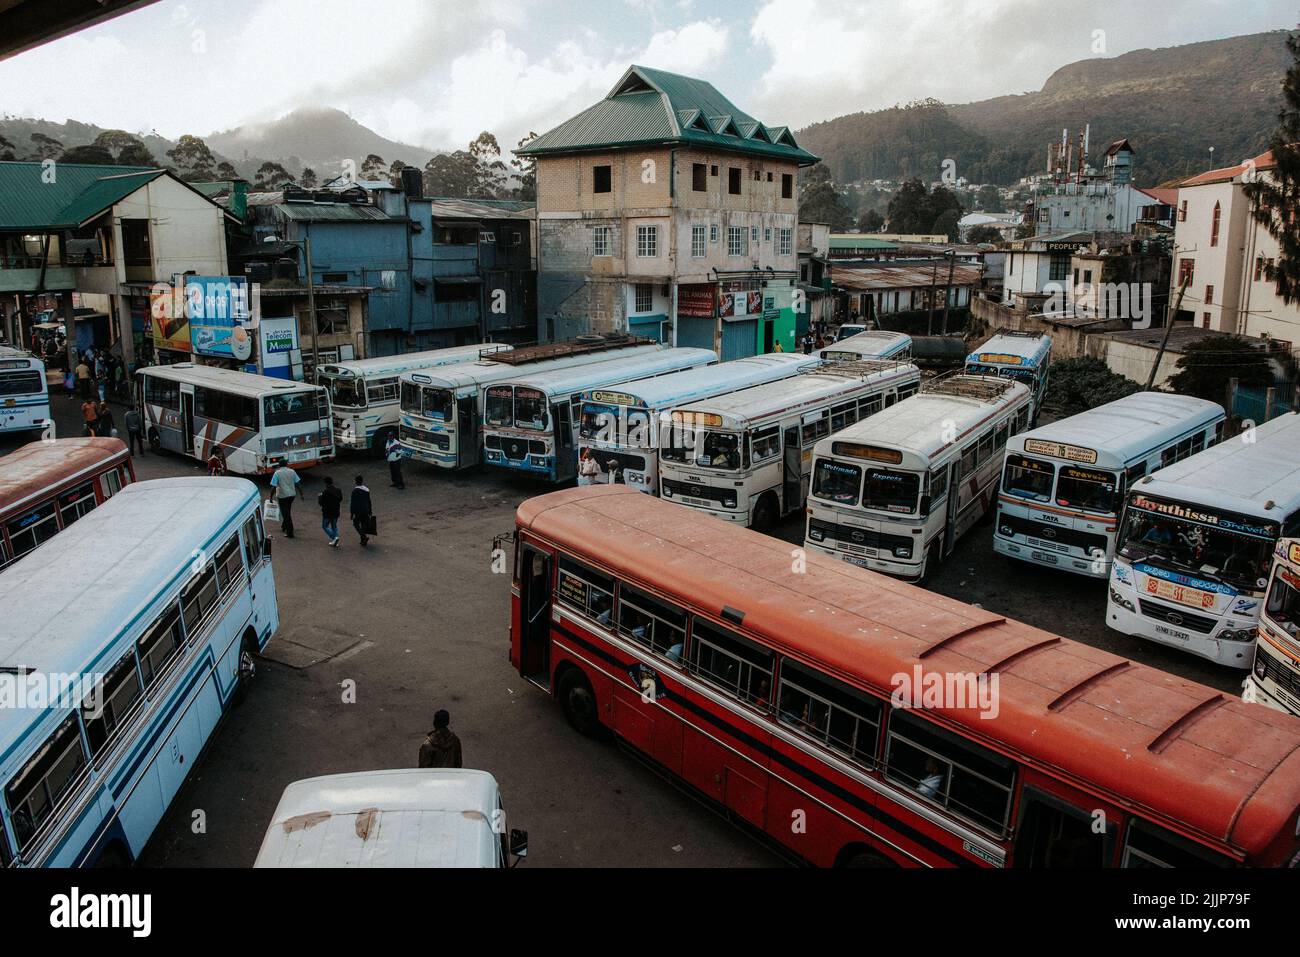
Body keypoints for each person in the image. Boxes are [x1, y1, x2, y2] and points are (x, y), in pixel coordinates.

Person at [269, 458, 300, 538]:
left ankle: (290, 532)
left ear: (279, 465)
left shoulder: (277, 473)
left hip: (282, 496)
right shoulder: (292, 471)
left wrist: (270, 497)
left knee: (285, 514)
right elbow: (297, 483)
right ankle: (284, 526)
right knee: (287, 511)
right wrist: (301, 493)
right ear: (287, 464)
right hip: (292, 495)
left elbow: (273, 486)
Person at [318, 475, 343, 548]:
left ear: (326, 483)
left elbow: (321, 503)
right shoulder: (338, 490)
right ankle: (335, 539)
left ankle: (335, 538)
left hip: (327, 512)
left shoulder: (325, 492)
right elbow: (340, 499)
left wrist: (319, 497)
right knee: (334, 526)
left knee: (325, 526)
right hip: (336, 511)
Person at [350, 474, 373, 547]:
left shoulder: (355, 491)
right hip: (365, 509)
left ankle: (363, 536)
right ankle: (363, 541)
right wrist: (370, 511)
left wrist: (352, 513)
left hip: (358, 511)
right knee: (363, 524)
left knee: (356, 524)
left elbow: (353, 503)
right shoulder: (366, 490)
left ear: (356, 482)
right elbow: (369, 501)